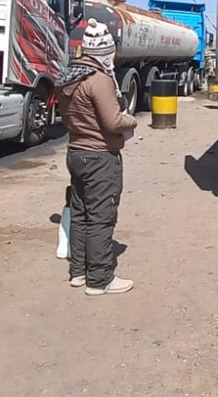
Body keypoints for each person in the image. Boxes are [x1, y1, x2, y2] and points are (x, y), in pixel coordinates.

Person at [57, 18, 138, 296]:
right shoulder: (99, 79)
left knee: (80, 214)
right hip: (100, 157)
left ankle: (78, 271)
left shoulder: (70, 75)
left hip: (76, 152)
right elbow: (113, 122)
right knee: (101, 217)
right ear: (105, 52)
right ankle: (100, 279)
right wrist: (132, 120)